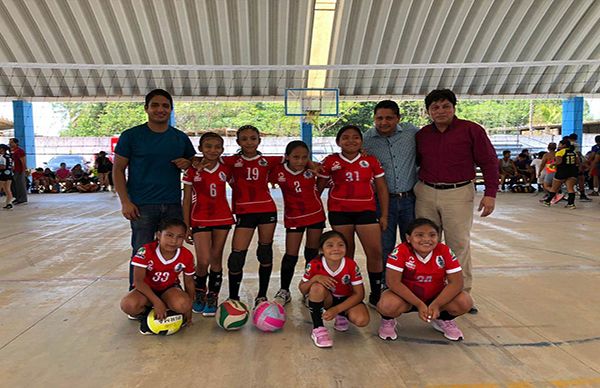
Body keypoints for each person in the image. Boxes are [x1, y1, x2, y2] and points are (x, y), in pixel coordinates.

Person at [414, 89, 498, 314]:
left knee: (457, 244)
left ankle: (461, 294)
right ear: (428, 111)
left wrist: (490, 193)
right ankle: (428, 290)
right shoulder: (422, 135)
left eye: (445, 106)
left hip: (458, 192)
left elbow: (489, 162)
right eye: (435, 107)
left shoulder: (471, 130)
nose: (440, 111)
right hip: (425, 192)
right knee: (425, 242)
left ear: (454, 107)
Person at [113, 89, 195, 290]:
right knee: (141, 251)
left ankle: (168, 289)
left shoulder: (179, 138)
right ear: (146, 108)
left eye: (165, 106)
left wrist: (188, 162)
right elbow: (118, 169)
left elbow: (194, 162)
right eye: (155, 105)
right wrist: (125, 201)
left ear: (171, 109)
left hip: (173, 204)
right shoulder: (131, 136)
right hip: (142, 205)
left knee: (172, 249)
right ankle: (138, 294)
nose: (160, 110)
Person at [317, 125, 389, 307]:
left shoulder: (371, 160)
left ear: (361, 141)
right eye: (346, 137)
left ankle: (375, 291)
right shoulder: (330, 161)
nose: (351, 140)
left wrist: (385, 215)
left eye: (355, 137)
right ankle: (345, 292)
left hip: (366, 211)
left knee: (375, 252)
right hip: (340, 211)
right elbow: (318, 187)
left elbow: (381, 188)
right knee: (344, 253)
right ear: (338, 141)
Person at [377, 218, 473, 341]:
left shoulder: (444, 250)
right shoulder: (401, 251)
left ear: (438, 237)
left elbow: (457, 282)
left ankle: (443, 319)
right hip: (407, 298)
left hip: (435, 297)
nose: (426, 239)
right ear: (408, 238)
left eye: (432, 235)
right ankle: (388, 320)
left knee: (465, 301)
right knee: (388, 304)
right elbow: (393, 282)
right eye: (419, 235)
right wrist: (419, 304)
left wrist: (437, 304)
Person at [220, 125, 283, 308]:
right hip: (244, 212)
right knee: (237, 256)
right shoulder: (230, 161)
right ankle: (233, 297)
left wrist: (311, 164)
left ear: (259, 140)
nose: (249, 142)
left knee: (264, 252)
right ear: (238, 142)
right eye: (245, 139)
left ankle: (261, 295)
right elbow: (205, 158)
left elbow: (295, 157)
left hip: (266, 211)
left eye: (253, 138)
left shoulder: (269, 161)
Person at [363, 100, 419, 284]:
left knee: (412, 243)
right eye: (379, 118)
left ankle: (412, 282)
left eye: (389, 118)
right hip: (381, 203)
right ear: (374, 118)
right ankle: (387, 285)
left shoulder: (411, 133)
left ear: (398, 118)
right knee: (384, 246)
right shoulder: (365, 140)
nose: (383, 122)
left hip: (409, 199)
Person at [182, 132, 234, 317]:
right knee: (202, 261)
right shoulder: (192, 170)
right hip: (200, 218)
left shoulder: (226, 168)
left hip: (222, 218)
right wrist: (186, 225)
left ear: (222, 149)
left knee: (216, 259)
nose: (213, 150)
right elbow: (186, 198)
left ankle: (213, 295)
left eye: (217, 147)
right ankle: (199, 291)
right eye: (208, 146)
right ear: (200, 149)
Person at [269, 140, 325, 305]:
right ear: (286, 157)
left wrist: (311, 165)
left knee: (312, 253)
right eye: (295, 157)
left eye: (304, 157)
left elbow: (324, 177)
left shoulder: (313, 170)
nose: (300, 161)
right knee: (291, 254)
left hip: (315, 215)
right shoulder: (278, 171)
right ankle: (284, 290)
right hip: (293, 217)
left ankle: (310, 289)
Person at [119, 218, 195, 335]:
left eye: (179, 237)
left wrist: (189, 308)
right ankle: (148, 313)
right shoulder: (145, 251)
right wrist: (156, 302)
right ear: (159, 235)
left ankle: (167, 308)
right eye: (169, 235)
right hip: (146, 290)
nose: (174, 241)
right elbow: (138, 281)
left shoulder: (186, 255)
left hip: (169, 288)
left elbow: (189, 282)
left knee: (183, 304)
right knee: (128, 305)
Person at [299, 230, 369, 348]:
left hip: (346, 299)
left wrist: (337, 310)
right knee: (316, 287)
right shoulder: (315, 264)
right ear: (321, 249)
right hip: (328, 299)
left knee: (362, 320)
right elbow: (302, 288)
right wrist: (315, 278)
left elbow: (359, 294)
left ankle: (341, 315)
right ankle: (318, 328)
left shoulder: (351, 264)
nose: (336, 249)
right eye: (330, 245)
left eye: (340, 245)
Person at [543, 139, 579, 209]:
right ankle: (571, 204)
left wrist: (552, 164)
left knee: (554, 188)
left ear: (564, 145)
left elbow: (559, 162)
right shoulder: (574, 152)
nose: (558, 146)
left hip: (562, 171)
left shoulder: (560, 152)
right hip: (572, 171)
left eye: (560, 144)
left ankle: (547, 201)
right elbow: (577, 162)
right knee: (570, 188)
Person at [9, 138, 27, 204]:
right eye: (10, 142)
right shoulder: (12, 151)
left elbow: (23, 161)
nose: (10, 144)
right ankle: (17, 198)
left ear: (16, 143)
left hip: (19, 170)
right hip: (14, 170)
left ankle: (22, 199)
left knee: (20, 185)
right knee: (15, 185)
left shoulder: (19, 151)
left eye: (11, 142)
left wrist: (24, 169)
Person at [0, 144, 14, 209]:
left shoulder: (2, 157)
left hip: (2, 174)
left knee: (2, 188)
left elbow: (3, 166)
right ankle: (9, 203)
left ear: (2, 149)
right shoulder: (9, 156)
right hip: (9, 174)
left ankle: (9, 203)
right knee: (7, 189)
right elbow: (12, 167)